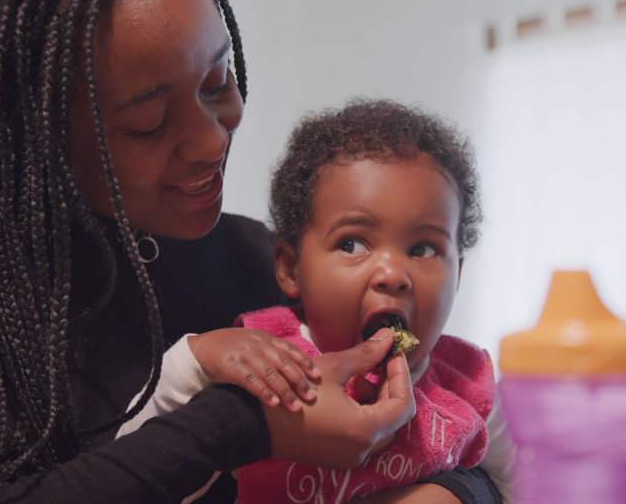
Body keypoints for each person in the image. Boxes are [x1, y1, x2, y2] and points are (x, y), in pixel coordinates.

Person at [0, 0, 504, 503]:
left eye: (217, 80)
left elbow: (464, 440)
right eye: (148, 123)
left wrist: (456, 491)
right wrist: (239, 423)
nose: (210, 142)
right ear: (35, 128)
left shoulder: (251, 256)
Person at [117, 99, 517, 503]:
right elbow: (133, 476)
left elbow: (523, 483)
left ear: (459, 275)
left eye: (424, 249)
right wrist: (192, 360)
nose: (394, 274)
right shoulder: (265, 362)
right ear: (291, 268)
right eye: (353, 243)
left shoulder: (468, 384)